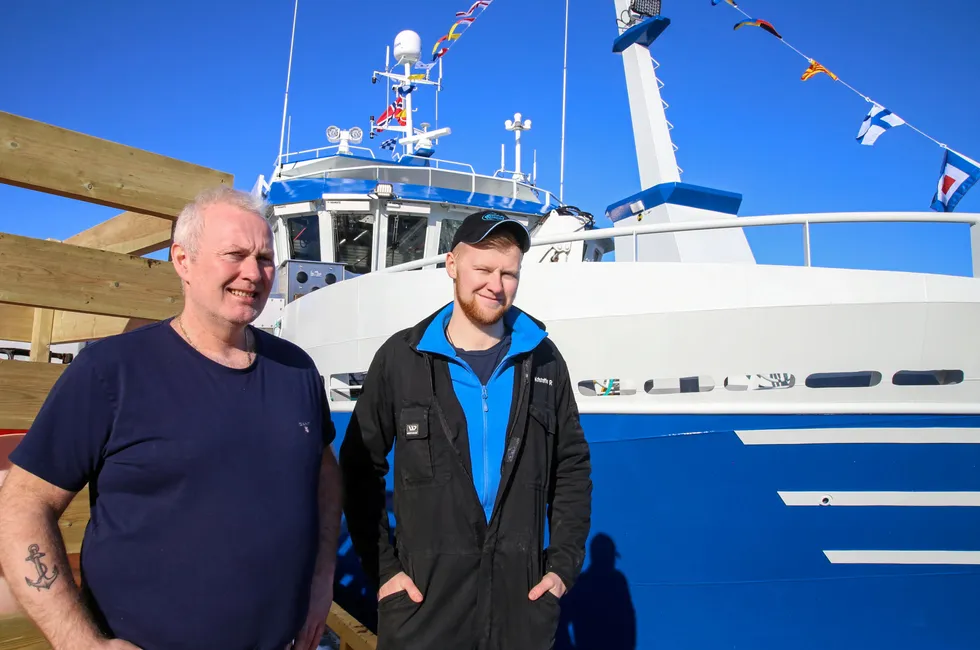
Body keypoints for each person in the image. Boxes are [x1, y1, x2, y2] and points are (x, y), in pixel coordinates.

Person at [0, 187, 341, 650]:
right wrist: (80, 644)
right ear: (182, 260)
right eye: (235, 254)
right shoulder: (110, 371)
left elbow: (323, 475)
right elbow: (22, 506)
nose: (253, 273)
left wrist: (322, 583)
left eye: (264, 258)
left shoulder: (296, 370)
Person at [339, 209, 593, 650]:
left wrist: (562, 568)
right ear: (452, 265)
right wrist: (384, 570)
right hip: (423, 610)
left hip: (521, 612)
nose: (496, 284)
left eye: (508, 273)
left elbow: (571, 468)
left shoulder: (544, 361)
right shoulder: (402, 359)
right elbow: (360, 467)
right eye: (484, 269)